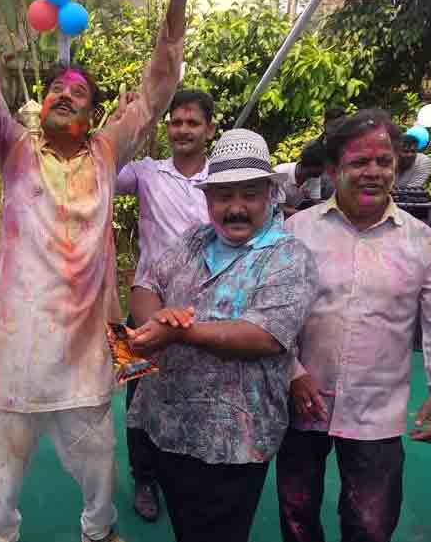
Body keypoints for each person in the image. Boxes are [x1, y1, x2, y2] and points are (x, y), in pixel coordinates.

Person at [0, 0, 187, 538]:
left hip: (84, 351)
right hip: (12, 356)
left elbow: (156, 91)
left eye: (78, 92)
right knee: (0, 485)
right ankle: (2, 535)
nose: (64, 94)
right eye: (58, 88)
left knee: (99, 469)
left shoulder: (105, 154)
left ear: (92, 117)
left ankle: (97, 532)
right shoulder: (13, 148)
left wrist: (174, 11)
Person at [278, 109, 431, 542]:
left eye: (383, 162)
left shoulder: (420, 241)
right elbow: (271, 311)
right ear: (333, 170)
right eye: (358, 163)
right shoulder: (296, 232)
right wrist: (292, 372)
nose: (373, 172)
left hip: (377, 413)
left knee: (370, 526)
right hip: (300, 404)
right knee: (297, 519)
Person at [125, 128, 317, 542]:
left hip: (235, 438)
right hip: (168, 422)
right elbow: (146, 284)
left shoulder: (288, 256)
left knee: (222, 532)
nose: (235, 208)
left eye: (248, 194)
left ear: (269, 194)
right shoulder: (195, 240)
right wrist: (156, 318)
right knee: (186, 526)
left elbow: (265, 335)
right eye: (223, 195)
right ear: (208, 198)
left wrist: (179, 331)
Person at [114, 89, 214, 522]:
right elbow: (101, 172)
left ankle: (196, 468)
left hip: (208, 304)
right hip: (145, 301)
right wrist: (122, 126)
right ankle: (144, 477)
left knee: (203, 389)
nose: (182, 130)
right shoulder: (146, 172)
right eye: (175, 122)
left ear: (210, 129)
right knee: (139, 391)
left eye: (192, 123)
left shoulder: (223, 177)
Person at [273, 139, 326, 217]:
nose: (324, 170)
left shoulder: (314, 176)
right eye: (322, 167)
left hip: (294, 210)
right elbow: (281, 208)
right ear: (310, 165)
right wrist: (306, 215)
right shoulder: (280, 174)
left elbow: (316, 202)